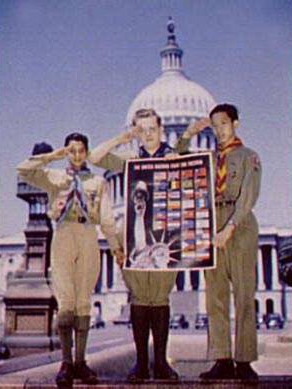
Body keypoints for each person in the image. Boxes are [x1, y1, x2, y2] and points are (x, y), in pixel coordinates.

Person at [17, 133, 124, 388]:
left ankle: (80, 362)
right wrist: (53, 156)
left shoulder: (98, 181)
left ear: (87, 153)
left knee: (83, 302)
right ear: (67, 152)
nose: (76, 156)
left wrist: (116, 248)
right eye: (71, 151)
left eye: (80, 151)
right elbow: (23, 169)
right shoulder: (55, 178)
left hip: (87, 234)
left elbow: (107, 219)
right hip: (63, 235)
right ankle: (66, 363)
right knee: (66, 302)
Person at [89, 109, 179, 381]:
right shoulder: (130, 159)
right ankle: (141, 363)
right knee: (140, 300)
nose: (148, 134)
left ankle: (160, 362)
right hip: (134, 240)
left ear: (162, 129)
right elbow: (94, 157)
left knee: (160, 299)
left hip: (164, 239)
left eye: (152, 128)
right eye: (142, 130)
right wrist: (123, 138)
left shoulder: (175, 158)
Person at [176, 103, 261, 380]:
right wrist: (189, 133)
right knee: (216, 298)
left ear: (236, 123)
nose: (220, 130)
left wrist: (230, 228)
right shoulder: (207, 160)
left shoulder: (249, 156)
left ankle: (244, 361)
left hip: (240, 224)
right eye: (214, 126)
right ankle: (221, 358)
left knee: (244, 296)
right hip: (212, 224)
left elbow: (248, 195)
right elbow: (178, 157)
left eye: (223, 124)